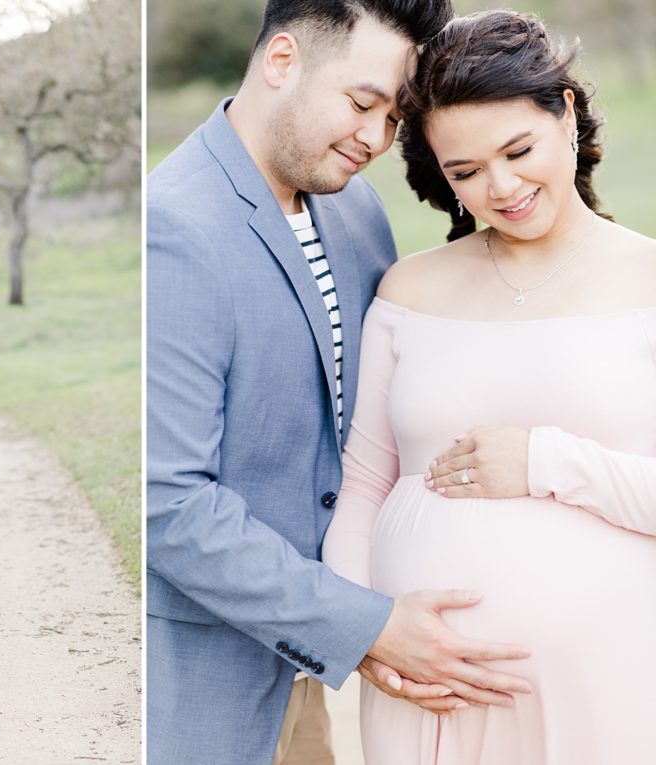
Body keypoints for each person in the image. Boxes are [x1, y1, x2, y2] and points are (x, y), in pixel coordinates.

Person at [147, 2, 536, 763]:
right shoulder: (175, 228)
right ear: (282, 60)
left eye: (394, 116)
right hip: (206, 680)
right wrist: (367, 624)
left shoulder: (355, 208)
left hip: (306, 675)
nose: (375, 139)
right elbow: (169, 503)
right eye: (362, 103)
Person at [323, 9, 656, 763]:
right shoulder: (408, 289)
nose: (501, 188)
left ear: (565, 113)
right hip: (426, 695)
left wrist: (545, 463)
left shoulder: (650, 280)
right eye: (464, 172)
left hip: (607, 687)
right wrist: (365, 629)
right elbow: (363, 481)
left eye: (518, 150)